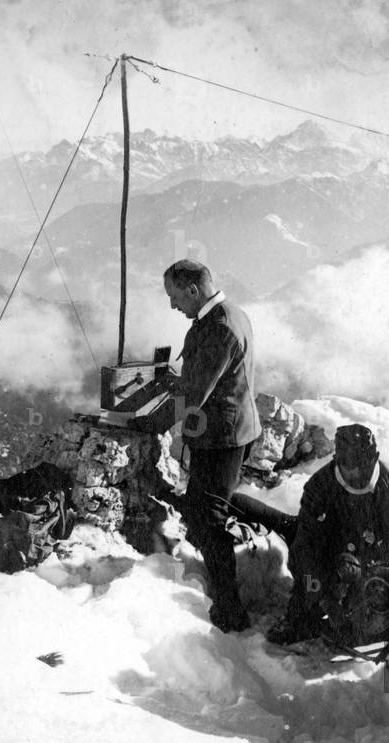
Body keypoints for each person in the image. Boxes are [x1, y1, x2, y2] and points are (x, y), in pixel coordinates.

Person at [163, 259, 262, 632]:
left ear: (192, 290)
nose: (173, 306)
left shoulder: (218, 327)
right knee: (211, 502)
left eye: (175, 297)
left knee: (210, 520)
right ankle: (285, 524)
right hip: (231, 430)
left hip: (222, 437)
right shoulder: (228, 313)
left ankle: (230, 611)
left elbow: (195, 395)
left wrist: (149, 419)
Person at [268, 424, 389, 645]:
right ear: (338, 460)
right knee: (310, 596)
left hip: (381, 555)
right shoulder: (319, 486)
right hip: (335, 556)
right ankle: (301, 616)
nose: (355, 473)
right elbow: (305, 548)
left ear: (374, 458)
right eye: (349, 466)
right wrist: (324, 597)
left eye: (362, 465)